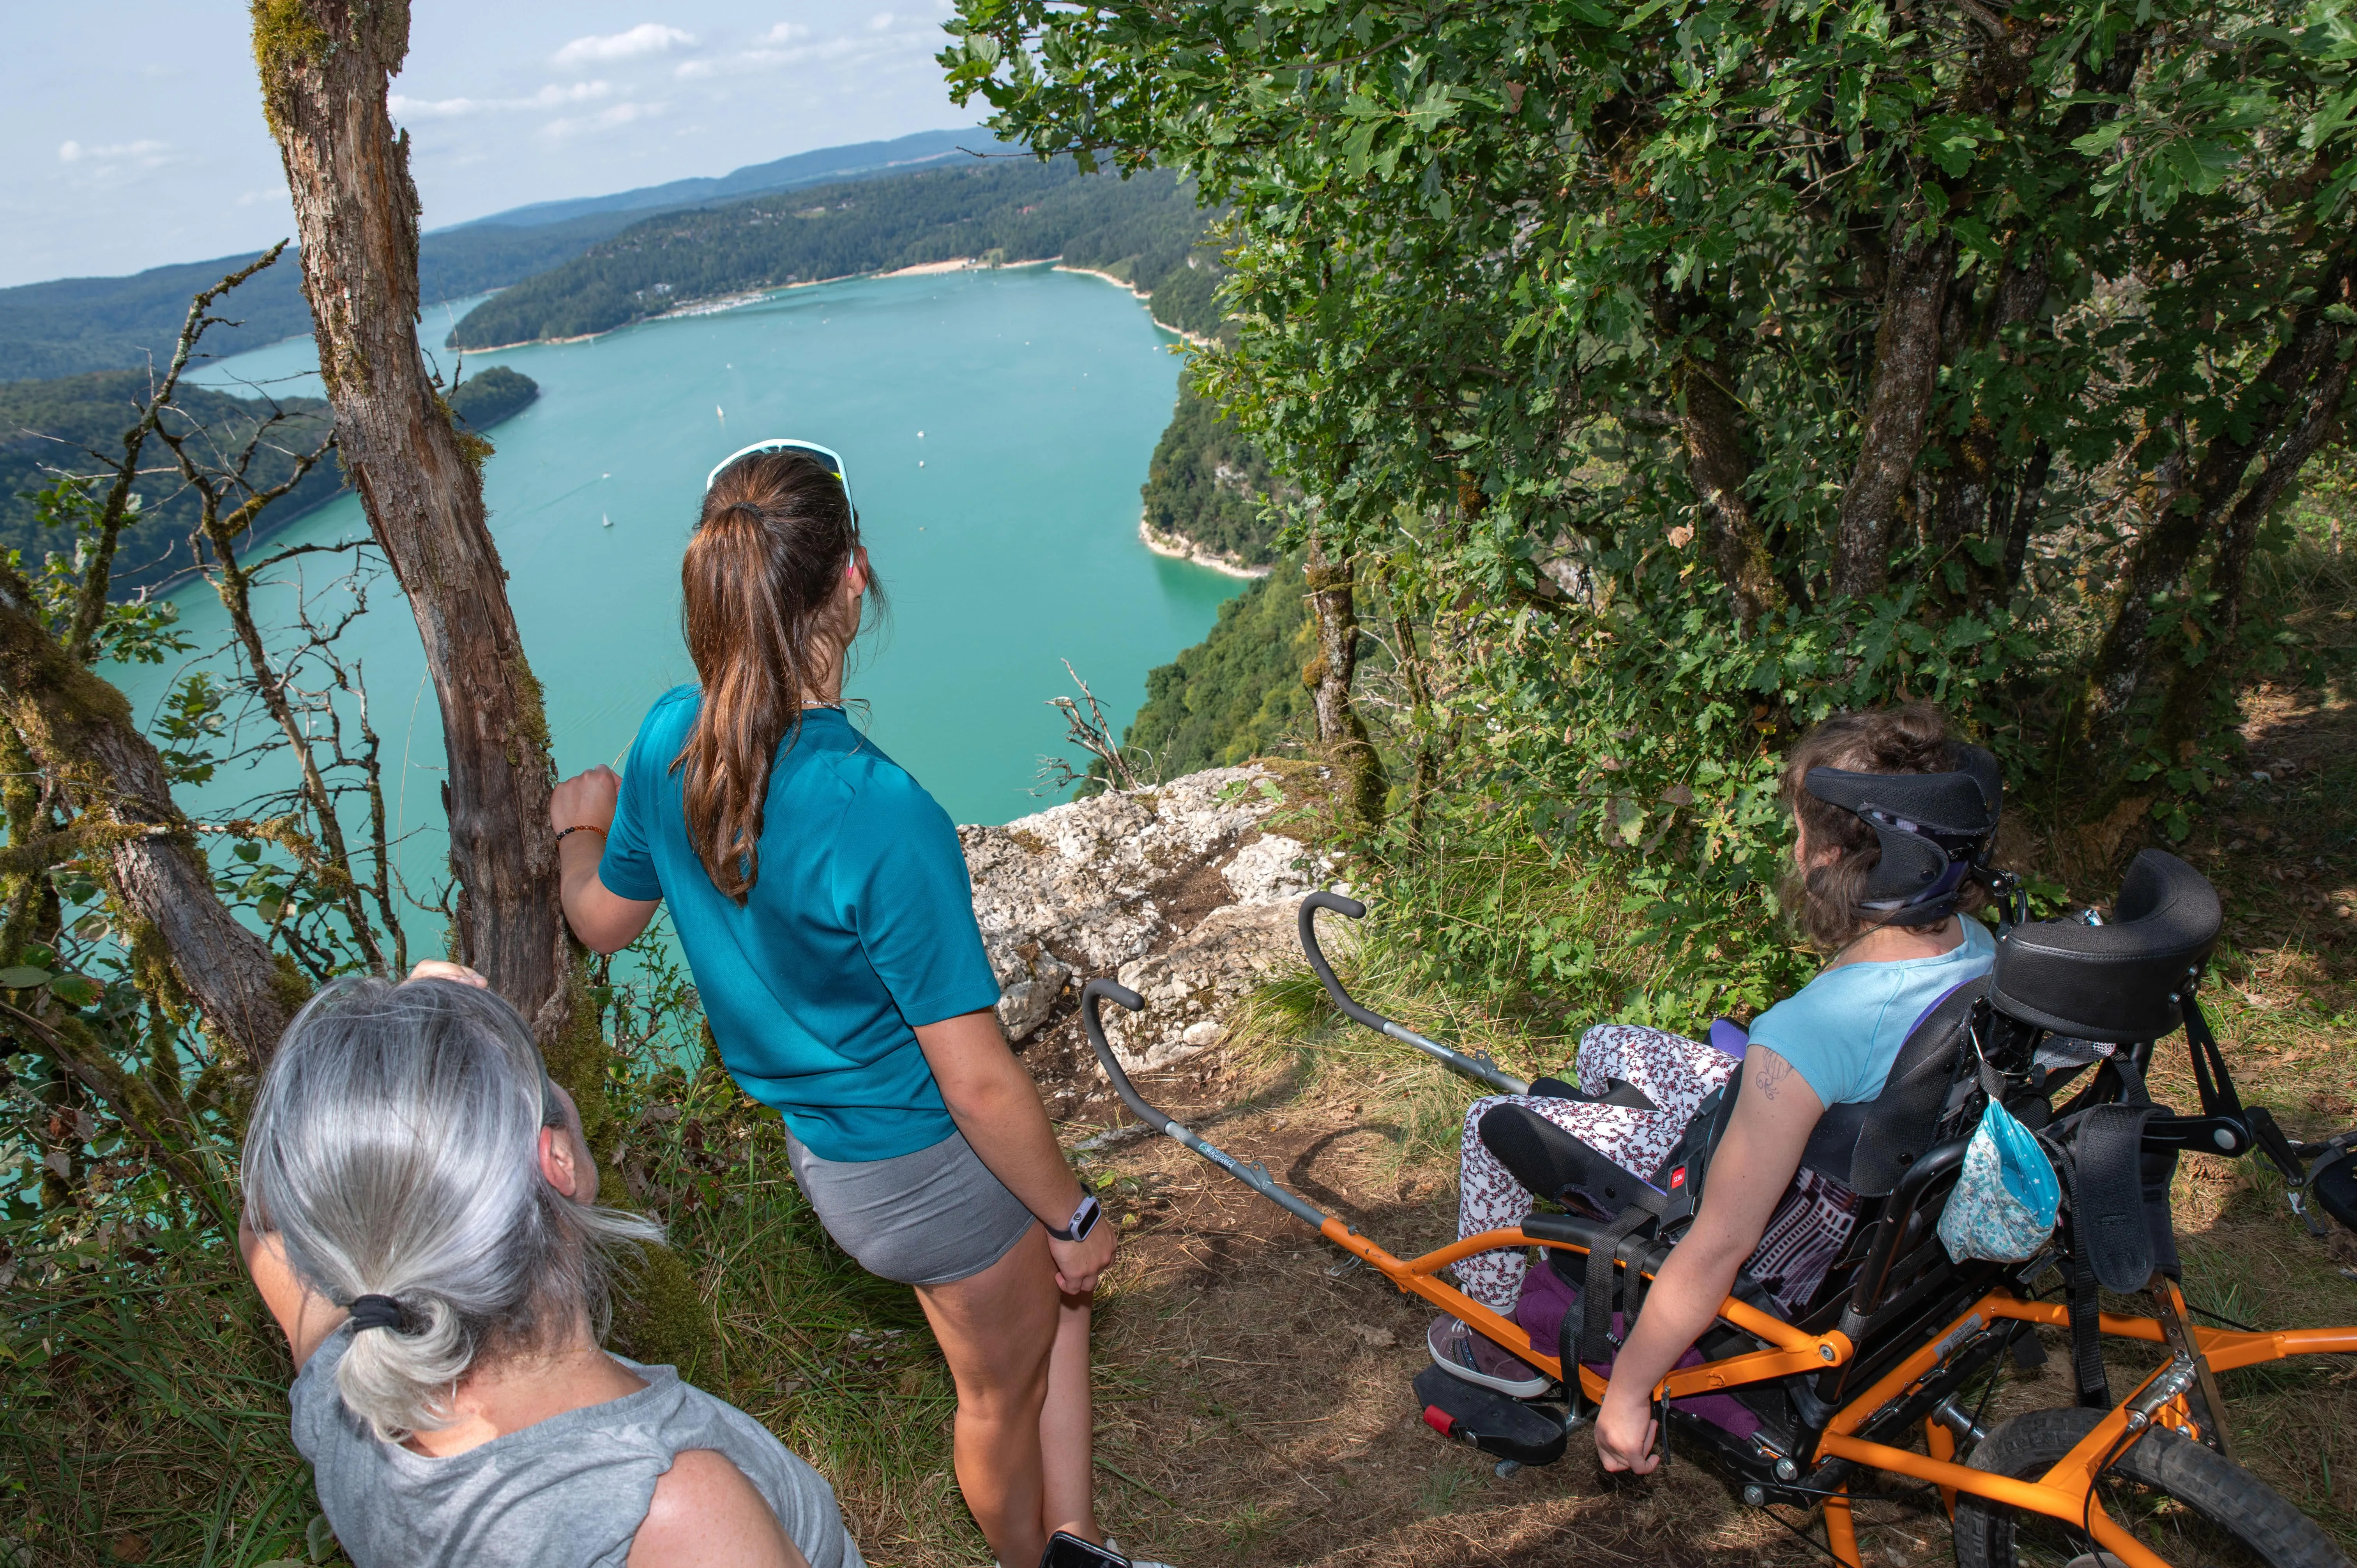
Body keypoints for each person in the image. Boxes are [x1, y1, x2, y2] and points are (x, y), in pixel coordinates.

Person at [551, 441, 1133, 1568]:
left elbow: (599, 921)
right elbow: (974, 1076)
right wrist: (1072, 1212)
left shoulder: (670, 739)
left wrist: (582, 823)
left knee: (1051, 1326)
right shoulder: (879, 811)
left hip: (832, 1157)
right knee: (997, 1396)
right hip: (930, 1165)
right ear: (852, 577)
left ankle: (1081, 1545)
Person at [1426, 703, 2003, 1475]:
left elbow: (1720, 1242)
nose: (1793, 847)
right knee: (1605, 1043)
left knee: (1487, 1122)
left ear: (1844, 856)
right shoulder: (1973, 947)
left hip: (1752, 1186)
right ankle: (1593, 1123)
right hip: (1842, 1127)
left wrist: (1629, 1393)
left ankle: (1496, 1338)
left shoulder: (1808, 1033)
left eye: (1801, 831)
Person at [239, 961, 863, 1568]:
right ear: (556, 1158)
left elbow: (265, 1221)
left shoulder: (346, 1378)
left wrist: (399, 1062)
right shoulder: (664, 1507)